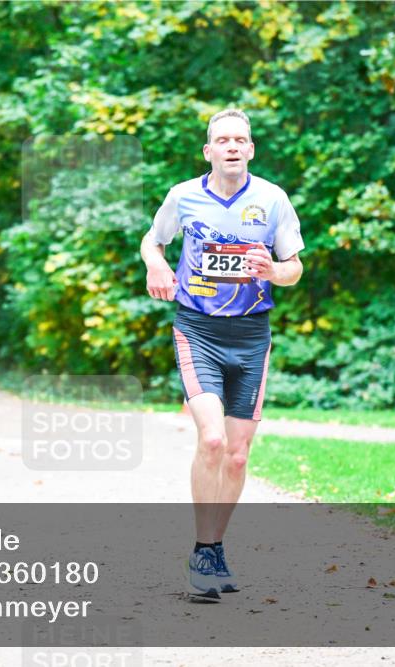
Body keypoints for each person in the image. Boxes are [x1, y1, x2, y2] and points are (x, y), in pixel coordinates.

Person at [140, 108, 304, 599]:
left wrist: (272, 271)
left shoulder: (272, 200)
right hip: (198, 330)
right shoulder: (183, 196)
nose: (233, 146)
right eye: (223, 140)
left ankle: (213, 548)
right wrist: (156, 266)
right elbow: (153, 240)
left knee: (236, 455)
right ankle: (203, 550)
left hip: (252, 335)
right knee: (211, 440)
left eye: (242, 139)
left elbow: (294, 266)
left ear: (251, 149)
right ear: (208, 150)